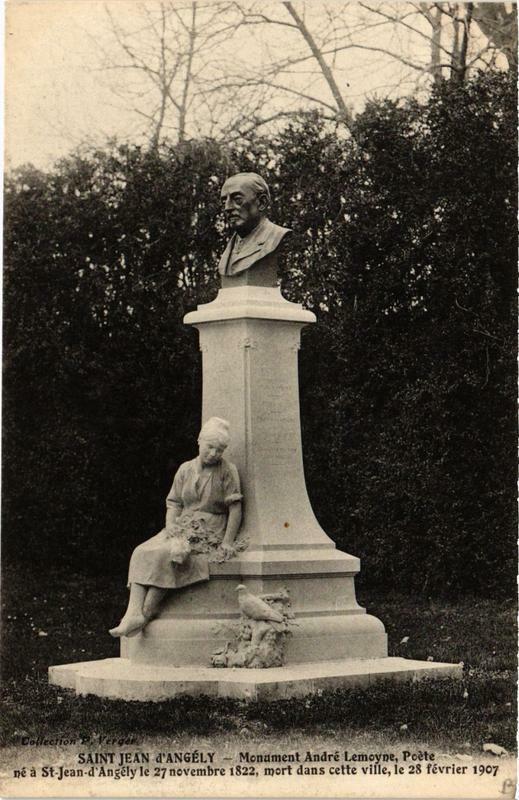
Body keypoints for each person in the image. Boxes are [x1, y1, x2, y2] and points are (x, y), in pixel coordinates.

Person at [109, 417, 243, 638]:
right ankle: (133, 613)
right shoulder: (185, 469)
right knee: (142, 552)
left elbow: (235, 508)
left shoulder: (227, 471)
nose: (213, 454)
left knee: (169, 556)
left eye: (219, 450)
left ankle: (145, 613)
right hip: (182, 525)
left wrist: (227, 542)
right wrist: (171, 526)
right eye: (209, 447)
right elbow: (174, 503)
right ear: (199, 441)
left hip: (209, 528)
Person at [218, 172, 291, 278]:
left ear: (262, 202)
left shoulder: (277, 237)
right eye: (224, 201)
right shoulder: (229, 250)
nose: (227, 207)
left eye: (237, 199)